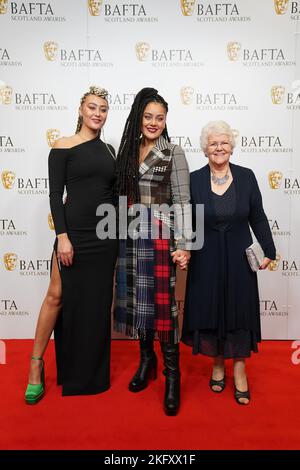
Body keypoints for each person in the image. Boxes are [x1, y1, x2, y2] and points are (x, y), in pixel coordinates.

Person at [24, 86, 118, 404]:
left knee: (96, 304)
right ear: (81, 110)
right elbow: (55, 195)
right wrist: (62, 236)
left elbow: (112, 195)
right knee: (56, 295)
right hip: (74, 233)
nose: (97, 113)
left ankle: (88, 373)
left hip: (105, 237)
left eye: (103, 108)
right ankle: (35, 365)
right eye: (92, 107)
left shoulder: (109, 150)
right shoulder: (63, 145)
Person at [182, 120, 276, 405]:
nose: (219, 147)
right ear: (205, 149)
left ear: (232, 147)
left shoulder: (246, 177)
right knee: (211, 309)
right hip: (206, 256)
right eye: (213, 143)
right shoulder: (195, 179)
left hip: (238, 255)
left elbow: (257, 216)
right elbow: (186, 218)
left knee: (239, 310)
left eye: (224, 142)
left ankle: (239, 370)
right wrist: (182, 248)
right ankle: (218, 365)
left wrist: (269, 249)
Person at [114, 87, 191, 416]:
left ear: (166, 121)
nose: (154, 122)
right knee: (137, 304)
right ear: (138, 118)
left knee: (163, 309)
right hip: (129, 239)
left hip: (160, 240)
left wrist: (184, 244)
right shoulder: (127, 153)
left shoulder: (174, 152)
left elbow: (183, 201)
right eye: (148, 116)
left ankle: (171, 377)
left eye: (160, 117)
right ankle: (146, 361)